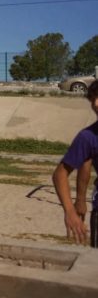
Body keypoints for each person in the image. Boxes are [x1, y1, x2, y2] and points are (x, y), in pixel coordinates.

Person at [51, 79, 98, 247]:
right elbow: (60, 174)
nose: (96, 104)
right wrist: (71, 209)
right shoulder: (87, 137)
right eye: (93, 99)